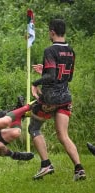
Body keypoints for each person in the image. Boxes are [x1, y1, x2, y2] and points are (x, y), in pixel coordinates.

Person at [29, 18, 86, 181]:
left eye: (49, 31)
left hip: (49, 99)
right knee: (63, 135)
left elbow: (52, 76)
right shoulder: (71, 51)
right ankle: (79, 169)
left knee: (33, 128)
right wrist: (45, 71)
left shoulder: (50, 51)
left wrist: (35, 83)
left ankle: (46, 164)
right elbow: (68, 77)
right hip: (65, 98)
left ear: (52, 32)